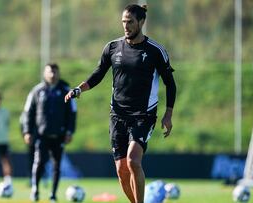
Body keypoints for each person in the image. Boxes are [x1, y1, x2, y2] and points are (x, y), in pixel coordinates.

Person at [64, 4, 176, 203]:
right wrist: (79, 88)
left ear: (141, 22)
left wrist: (168, 114)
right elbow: (98, 74)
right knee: (121, 170)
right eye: (124, 22)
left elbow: (170, 84)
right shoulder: (112, 47)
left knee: (133, 161)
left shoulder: (155, 51)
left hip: (143, 115)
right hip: (117, 116)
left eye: (130, 22)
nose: (126, 26)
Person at [21, 63, 77, 202]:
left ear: (58, 73)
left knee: (56, 166)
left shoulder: (66, 90)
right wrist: (27, 131)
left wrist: (70, 131)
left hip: (59, 135)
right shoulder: (37, 91)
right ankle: (35, 190)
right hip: (41, 135)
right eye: (49, 72)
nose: (52, 75)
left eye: (54, 72)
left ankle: (53, 194)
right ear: (45, 74)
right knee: (38, 162)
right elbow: (28, 112)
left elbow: (72, 113)